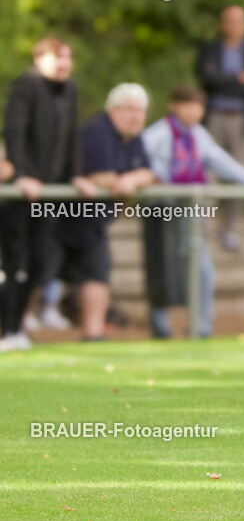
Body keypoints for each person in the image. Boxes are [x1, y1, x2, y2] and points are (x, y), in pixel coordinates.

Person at [141, 85, 244, 338]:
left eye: (198, 106)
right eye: (187, 105)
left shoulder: (198, 135)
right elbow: (138, 161)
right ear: (174, 105)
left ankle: (201, 327)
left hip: (189, 211)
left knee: (202, 269)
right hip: (161, 209)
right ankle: (160, 325)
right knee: (161, 266)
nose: (193, 111)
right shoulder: (157, 134)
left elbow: (221, 161)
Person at [0, 39, 94, 351]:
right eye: (58, 58)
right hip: (22, 194)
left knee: (41, 263)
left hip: (50, 195)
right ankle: (6, 330)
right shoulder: (27, 85)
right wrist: (22, 174)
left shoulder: (69, 90)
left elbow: (71, 136)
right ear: (39, 59)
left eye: (68, 57)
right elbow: (15, 131)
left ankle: (16, 328)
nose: (65, 64)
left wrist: (76, 175)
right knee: (15, 263)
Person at [53, 84, 156, 341]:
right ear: (114, 110)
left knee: (97, 274)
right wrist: (125, 181)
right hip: (59, 219)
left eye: (141, 111)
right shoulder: (98, 130)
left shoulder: (133, 137)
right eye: (130, 110)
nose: (136, 116)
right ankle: (13, 332)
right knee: (37, 275)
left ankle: (93, 335)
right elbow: (99, 176)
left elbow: (149, 173)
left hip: (93, 222)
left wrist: (131, 179)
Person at [195, 5, 244, 252]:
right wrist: (237, 79)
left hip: (242, 120)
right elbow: (206, 79)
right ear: (222, 23)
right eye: (229, 20)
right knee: (207, 176)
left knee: (242, 174)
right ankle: (202, 229)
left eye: (238, 21)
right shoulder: (210, 50)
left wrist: (224, 81)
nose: (234, 25)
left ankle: (231, 230)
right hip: (213, 119)